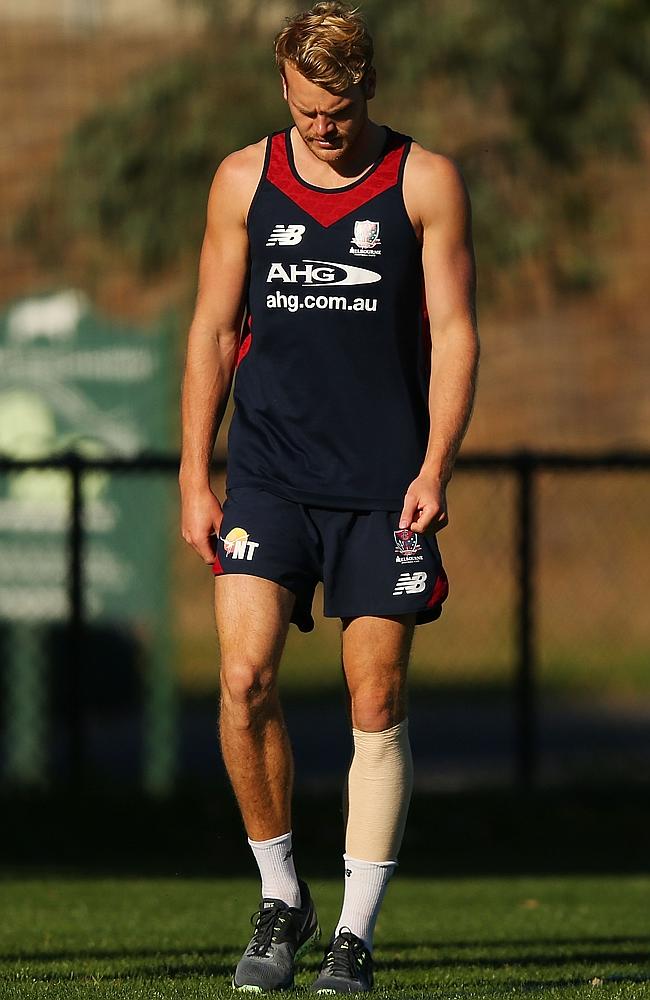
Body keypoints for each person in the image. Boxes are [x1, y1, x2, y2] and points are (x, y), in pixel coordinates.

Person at [179, 1, 479, 992]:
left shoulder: (424, 182)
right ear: (284, 91)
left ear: (367, 91)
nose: (321, 129)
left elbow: (452, 333)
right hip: (266, 471)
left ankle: (351, 932)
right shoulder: (241, 181)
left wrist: (435, 464)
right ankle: (280, 895)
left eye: (337, 113)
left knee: (375, 696)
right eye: (305, 111)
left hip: (382, 486)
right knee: (241, 679)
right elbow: (214, 332)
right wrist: (194, 470)